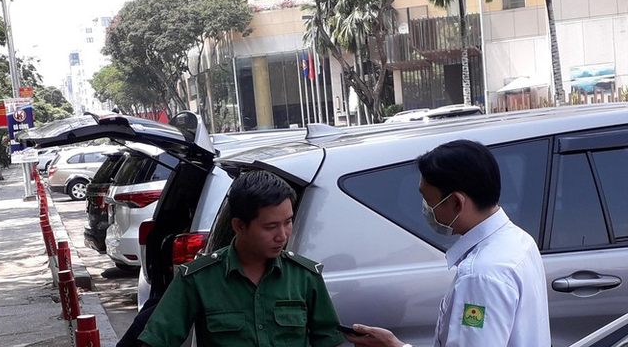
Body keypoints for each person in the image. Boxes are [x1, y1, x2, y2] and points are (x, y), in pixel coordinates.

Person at [344, 139, 550, 347]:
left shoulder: (480, 275)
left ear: (456, 202)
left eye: (428, 200)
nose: (426, 208)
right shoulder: (518, 240)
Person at [138, 169, 345, 347]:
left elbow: (328, 341)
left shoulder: (305, 277)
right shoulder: (198, 279)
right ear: (239, 226)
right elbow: (157, 340)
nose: (282, 235)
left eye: (288, 222)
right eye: (270, 227)